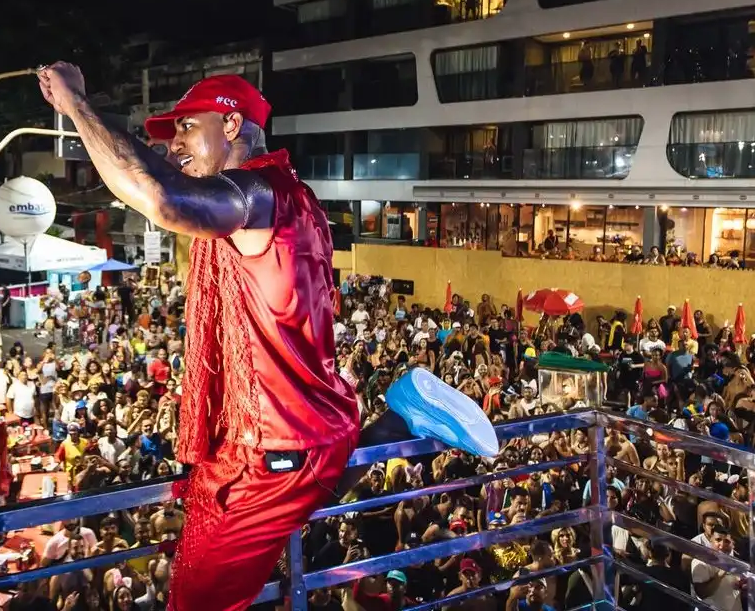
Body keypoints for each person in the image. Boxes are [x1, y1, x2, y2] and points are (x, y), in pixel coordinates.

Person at [37, 64, 496, 611]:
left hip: (271, 448)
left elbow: (160, 196)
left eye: (186, 128)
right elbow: (157, 169)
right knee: (307, 493)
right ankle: (401, 413)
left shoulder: (255, 195)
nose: (176, 144)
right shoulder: (287, 193)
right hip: (301, 428)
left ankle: (400, 414)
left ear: (231, 127)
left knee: (196, 599)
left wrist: (78, 108)